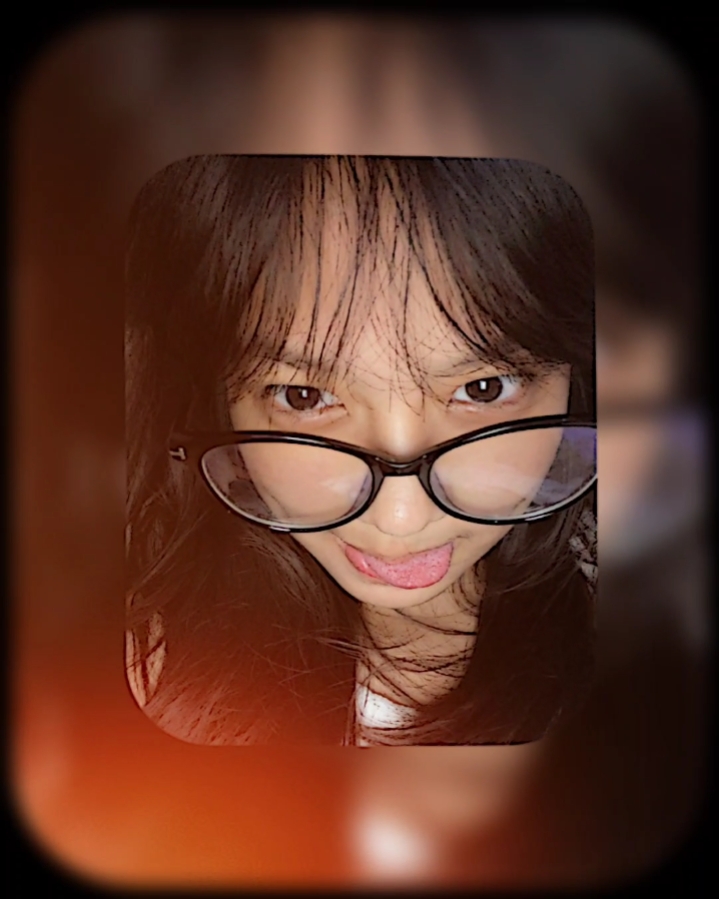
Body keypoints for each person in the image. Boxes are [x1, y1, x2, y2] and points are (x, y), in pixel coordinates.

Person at [125, 154, 597, 747]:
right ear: (220, 392)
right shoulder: (129, 662)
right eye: (303, 396)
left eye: (483, 389)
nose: (400, 518)